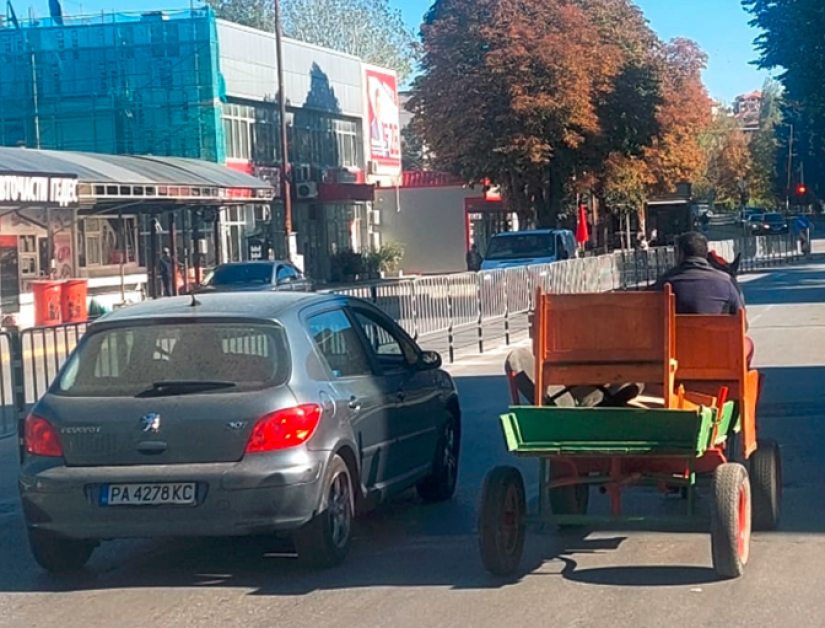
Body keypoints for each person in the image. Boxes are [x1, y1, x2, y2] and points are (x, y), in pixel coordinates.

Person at [652, 231, 754, 366]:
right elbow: (742, 326)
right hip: (717, 355)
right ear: (705, 254)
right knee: (747, 344)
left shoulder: (663, 282)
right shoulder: (726, 281)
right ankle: (735, 383)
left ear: (680, 254)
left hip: (674, 358)